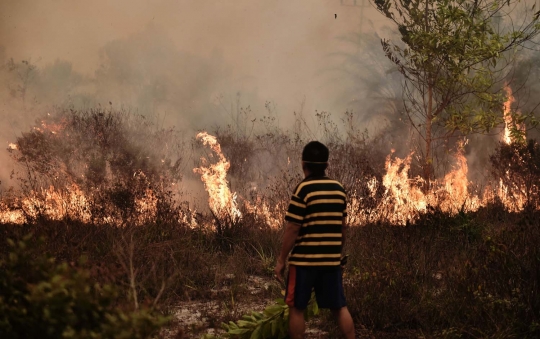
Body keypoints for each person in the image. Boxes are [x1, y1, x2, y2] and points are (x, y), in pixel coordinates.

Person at [274, 141, 355, 339]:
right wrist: (337, 254)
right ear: (326, 165)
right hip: (330, 261)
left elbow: (292, 228)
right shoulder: (339, 189)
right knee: (339, 307)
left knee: (297, 308)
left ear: (303, 164)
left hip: (303, 263)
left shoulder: (303, 190)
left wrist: (281, 259)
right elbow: (343, 228)